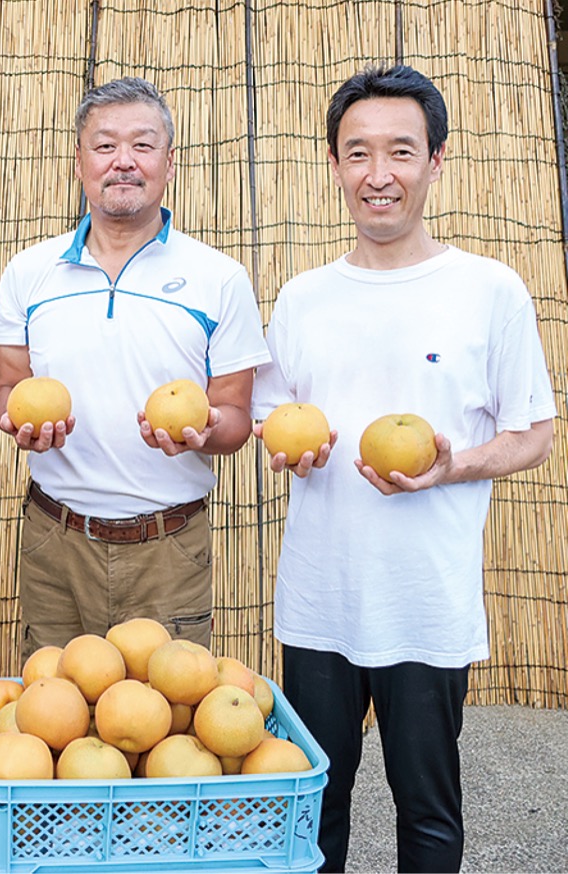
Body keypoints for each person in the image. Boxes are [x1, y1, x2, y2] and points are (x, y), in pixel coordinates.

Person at [251, 64, 555, 873]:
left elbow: (533, 434)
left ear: (436, 161)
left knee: (428, 817)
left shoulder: (489, 290)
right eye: (358, 154)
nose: (378, 175)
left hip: (425, 601)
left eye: (400, 152)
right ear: (334, 165)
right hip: (318, 601)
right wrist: (288, 446)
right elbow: (271, 419)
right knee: (311, 813)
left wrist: (455, 467)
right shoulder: (304, 298)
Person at [0, 77, 270, 655]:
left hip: (169, 547)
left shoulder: (219, 277)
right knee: (53, 721)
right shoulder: (28, 272)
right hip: (55, 541)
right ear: (79, 162)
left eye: (142, 145)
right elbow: (7, 389)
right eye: (104, 146)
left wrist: (207, 429)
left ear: (170, 162)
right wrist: (15, 422)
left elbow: (238, 415)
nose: (123, 162)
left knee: (167, 730)